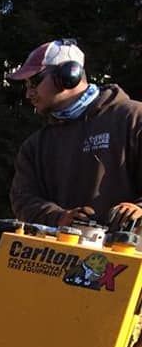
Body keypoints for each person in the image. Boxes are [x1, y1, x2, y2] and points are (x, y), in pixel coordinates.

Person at [8, 39, 142, 231]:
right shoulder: (35, 146)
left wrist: (138, 210)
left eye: (35, 81)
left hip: (130, 256)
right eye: (26, 85)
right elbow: (23, 199)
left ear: (69, 75)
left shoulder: (133, 118)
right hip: (59, 256)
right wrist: (59, 218)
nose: (29, 93)